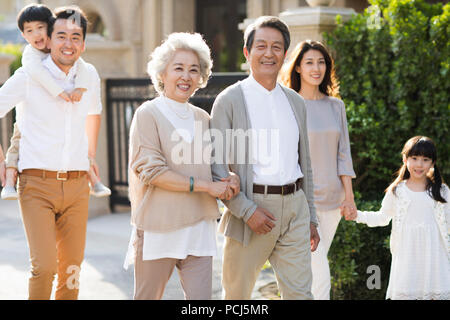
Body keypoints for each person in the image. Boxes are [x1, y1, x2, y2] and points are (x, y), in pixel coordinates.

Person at [210, 16, 319, 300]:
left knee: (301, 294)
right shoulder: (229, 100)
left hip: (296, 210)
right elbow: (217, 168)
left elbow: (304, 163)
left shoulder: (295, 101)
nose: (269, 53)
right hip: (251, 208)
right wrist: (247, 211)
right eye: (261, 46)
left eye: (277, 47)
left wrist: (312, 218)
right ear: (247, 52)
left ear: (285, 54)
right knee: (237, 296)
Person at [124, 32, 240, 300]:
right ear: (162, 73)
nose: (186, 77)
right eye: (178, 68)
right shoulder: (148, 114)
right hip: (158, 228)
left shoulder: (203, 118)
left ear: (201, 78)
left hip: (199, 227)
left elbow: (216, 166)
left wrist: (230, 178)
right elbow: (151, 171)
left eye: (193, 70)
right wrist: (206, 187)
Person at [0, 6, 103, 300]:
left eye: (75, 36)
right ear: (49, 37)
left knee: (72, 270)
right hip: (36, 186)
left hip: (76, 186)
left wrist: (91, 155)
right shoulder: (28, 76)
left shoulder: (89, 76)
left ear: (83, 43)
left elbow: (93, 115)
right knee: (44, 268)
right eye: (61, 36)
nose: (68, 43)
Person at [0, 3, 110, 200]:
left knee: (81, 147)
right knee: (15, 149)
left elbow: (85, 71)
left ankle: (94, 180)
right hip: (33, 159)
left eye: (41, 28)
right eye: (30, 30)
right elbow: (39, 76)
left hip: (72, 178)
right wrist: (59, 92)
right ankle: (9, 183)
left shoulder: (79, 66)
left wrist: (80, 88)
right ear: (24, 36)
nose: (37, 35)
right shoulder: (31, 60)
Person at [279, 40, 356, 300]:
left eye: (321, 62)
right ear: (298, 67)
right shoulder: (287, 104)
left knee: (311, 271)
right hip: (301, 201)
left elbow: (343, 154)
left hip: (333, 202)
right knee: (320, 272)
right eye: (309, 62)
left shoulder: (336, 106)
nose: (316, 68)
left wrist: (350, 197)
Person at [344, 136, 450, 300]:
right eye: (414, 158)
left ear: (432, 163)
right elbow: (382, 218)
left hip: (434, 256)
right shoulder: (398, 191)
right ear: (405, 159)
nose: (419, 164)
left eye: (425, 159)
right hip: (407, 256)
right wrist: (358, 215)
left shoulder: (442, 191)